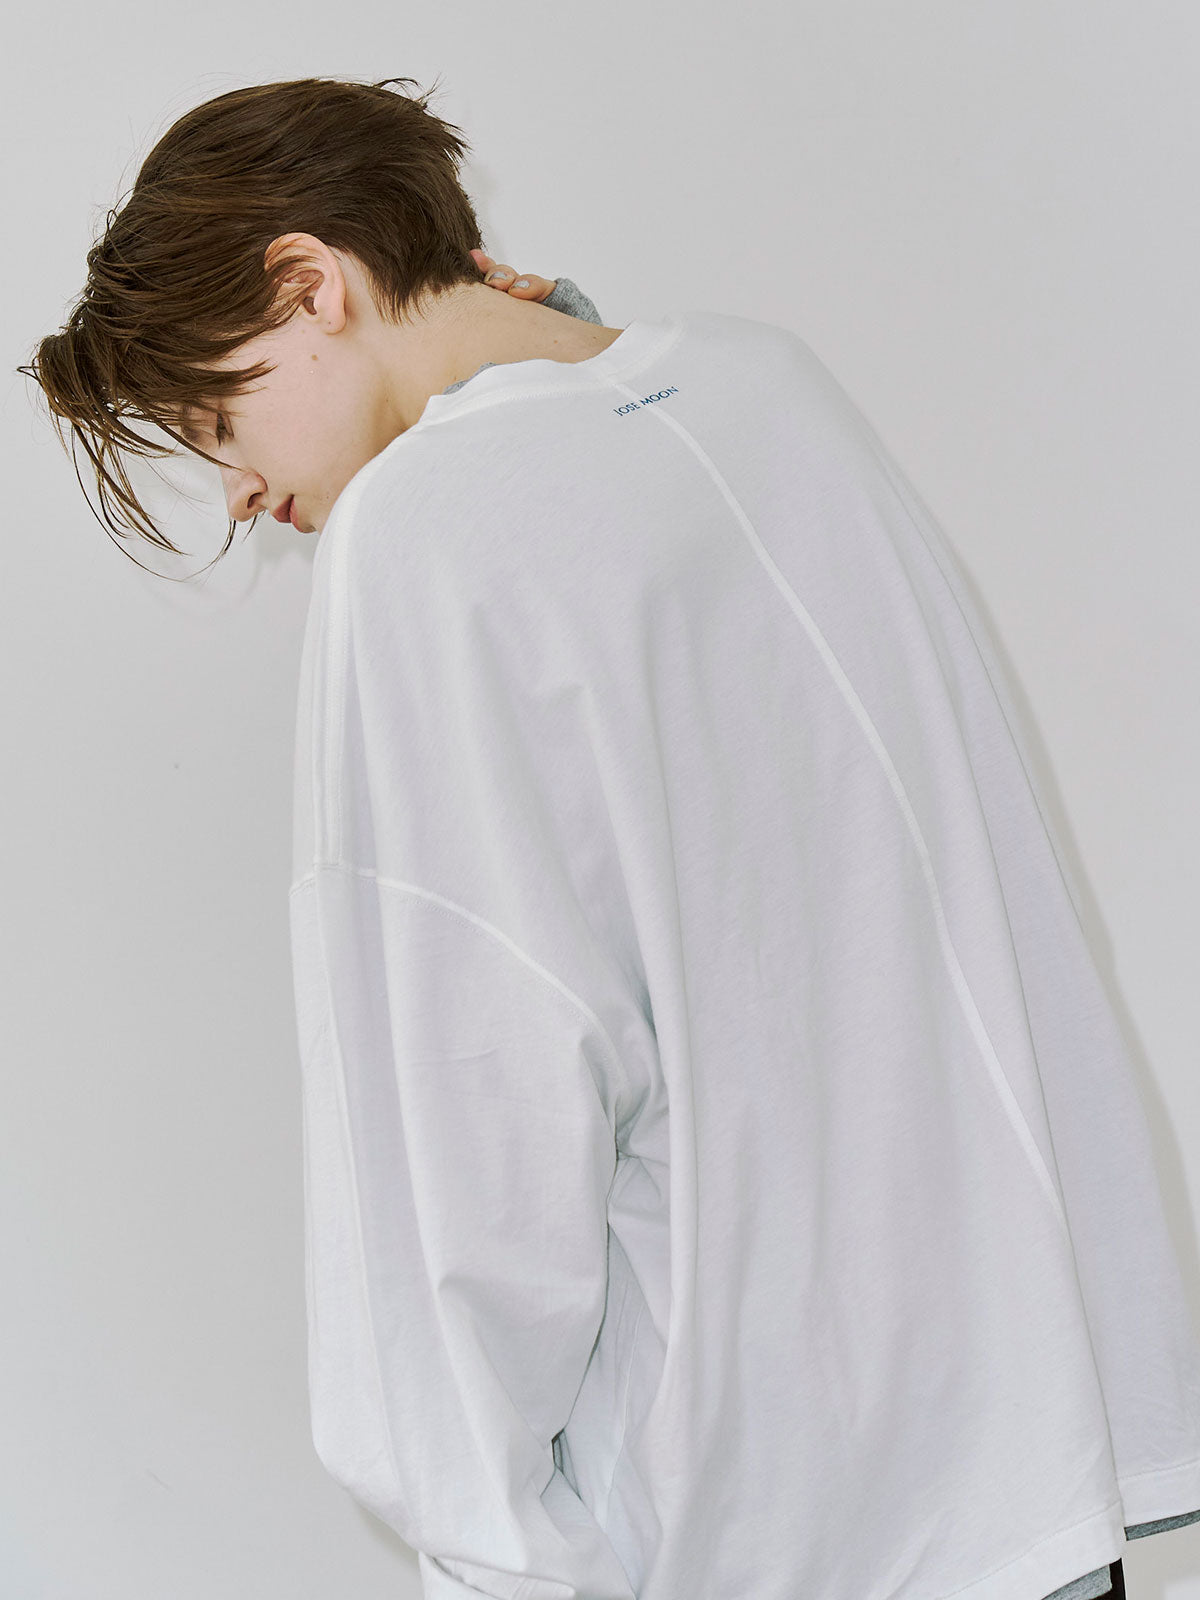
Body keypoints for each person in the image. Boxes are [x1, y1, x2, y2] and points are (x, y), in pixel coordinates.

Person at [18, 74, 1200, 1600]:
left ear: (312, 284)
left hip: (751, 1518)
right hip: (1019, 1457)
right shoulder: (766, 392)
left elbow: (462, 1103)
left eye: (217, 418)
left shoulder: (420, 539)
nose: (241, 493)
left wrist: (485, 1543)